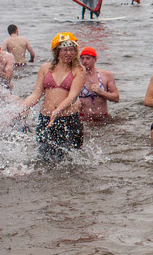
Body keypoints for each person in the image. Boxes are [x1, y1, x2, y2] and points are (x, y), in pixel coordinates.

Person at [19, 33, 86, 161]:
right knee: (43, 159)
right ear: (57, 51)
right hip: (46, 119)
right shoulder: (45, 68)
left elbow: (72, 96)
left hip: (68, 120)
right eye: (65, 50)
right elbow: (36, 95)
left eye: (71, 50)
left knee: (67, 162)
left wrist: (57, 110)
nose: (68, 53)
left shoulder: (79, 70)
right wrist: (19, 109)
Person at [77, 47, 120, 122]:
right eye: (82, 58)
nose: (84, 61)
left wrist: (101, 92)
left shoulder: (106, 75)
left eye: (87, 58)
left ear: (95, 59)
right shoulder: (77, 76)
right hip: (83, 119)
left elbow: (116, 98)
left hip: (103, 118)